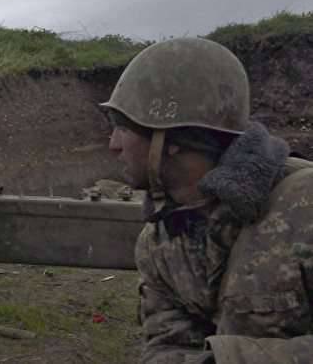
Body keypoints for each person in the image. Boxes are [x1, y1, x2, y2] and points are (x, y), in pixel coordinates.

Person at [101, 37, 313, 364]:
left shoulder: (304, 207)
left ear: (170, 138)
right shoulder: (159, 242)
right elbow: (167, 344)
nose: (113, 145)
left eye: (122, 128)